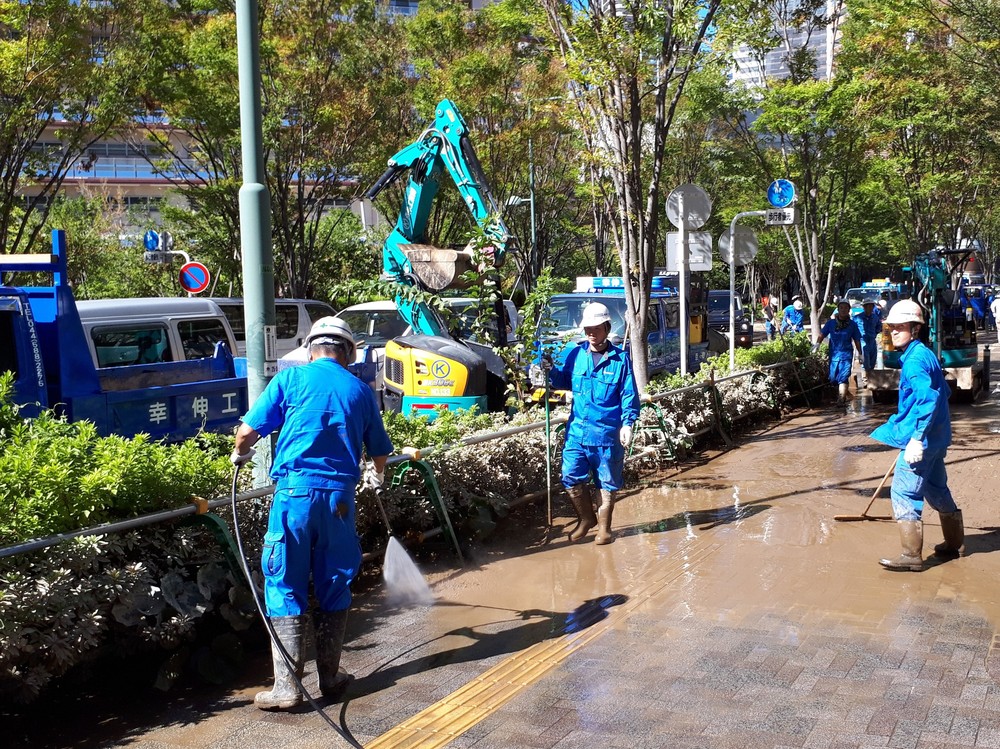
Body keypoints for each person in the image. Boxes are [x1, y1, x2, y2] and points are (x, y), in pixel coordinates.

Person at [231, 316, 393, 710]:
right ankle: (331, 676)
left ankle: (287, 688)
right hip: (339, 500)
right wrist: (377, 475)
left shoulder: (290, 381)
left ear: (310, 349)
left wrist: (240, 453)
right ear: (348, 353)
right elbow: (380, 451)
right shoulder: (359, 390)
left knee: (284, 580)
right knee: (335, 580)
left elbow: (248, 431)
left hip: (295, 497)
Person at [869, 300, 962, 572]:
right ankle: (953, 543)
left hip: (923, 440)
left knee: (904, 491)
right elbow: (942, 392)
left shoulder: (915, 362)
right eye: (892, 327)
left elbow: (930, 398)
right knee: (936, 489)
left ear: (916, 328)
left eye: (901, 327)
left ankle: (911, 556)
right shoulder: (922, 354)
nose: (894, 332)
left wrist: (916, 438)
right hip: (936, 438)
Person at [544, 301, 639, 546]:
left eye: (596, 329)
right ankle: (586, 519)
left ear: (607, 328)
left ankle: (604, 529)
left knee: (606, 482)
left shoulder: (620, 360)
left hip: (607, 434)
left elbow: (629, 394)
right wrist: (550, 370)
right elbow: (564, 380)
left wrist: (628, 423)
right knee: (571, 476)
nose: (591, 334)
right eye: (587, 329)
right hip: (577, 432)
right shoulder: (576, 354)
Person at [813, 300, 862, 403]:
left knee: (844, 376)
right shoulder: (831, 323)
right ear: (838, 309)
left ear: (849, 310)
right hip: (834, 355)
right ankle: (846, 393)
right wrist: (817, 344)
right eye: (841, 308)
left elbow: (857, 340)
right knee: (833, 378)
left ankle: (841, 399)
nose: (843, 310)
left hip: (846, 355)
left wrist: (860, 354)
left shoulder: (852, 325)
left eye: (846, 308)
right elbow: (822, 334)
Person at [853, 297, 882, 383]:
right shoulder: (857, 318)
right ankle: (865, 379)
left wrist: (875, 334)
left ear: (873, 307)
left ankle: (871, 379)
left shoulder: (875, 318)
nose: (869, 308)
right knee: (865, 361)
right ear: (863, 307)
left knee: (873, 361)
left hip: (872, 341)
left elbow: (878, 327)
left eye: (870, 306)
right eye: (866, 306)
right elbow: (853, 329)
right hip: (862, 341)